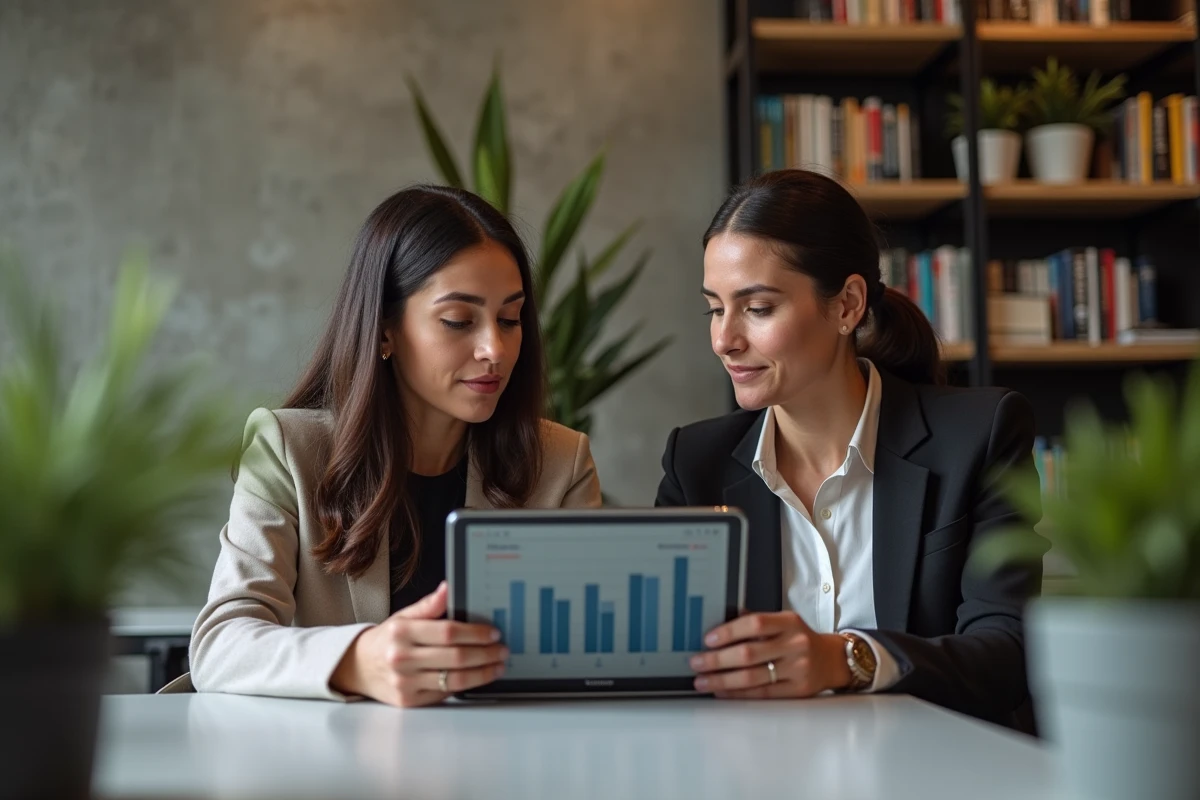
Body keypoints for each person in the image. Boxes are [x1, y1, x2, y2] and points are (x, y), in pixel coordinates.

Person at [656, 169, 1045, 729]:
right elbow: (671, 665)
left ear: (847, 306)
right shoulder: (695, 465)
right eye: (715, 308)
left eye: (758, 308)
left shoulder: (980, 435)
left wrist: (845, 659)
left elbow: (1008, 654)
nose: (724, 339)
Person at [186, 185, 602, 707]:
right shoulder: (288, 449)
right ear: (385, 330)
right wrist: (361, 659)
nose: (494, 348)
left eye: (511, 319)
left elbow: (590, 656)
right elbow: (220, 645)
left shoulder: (561, 463)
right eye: (458, 321)